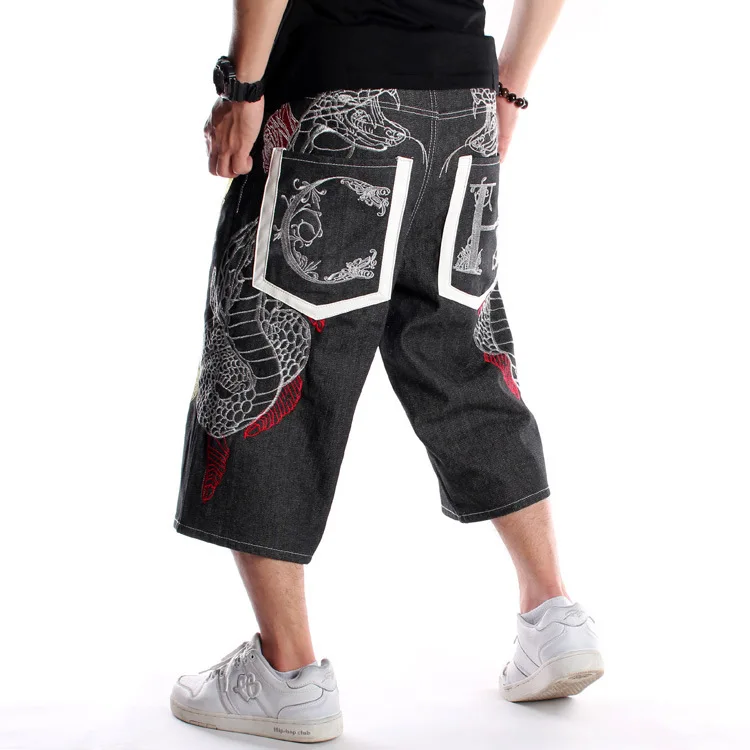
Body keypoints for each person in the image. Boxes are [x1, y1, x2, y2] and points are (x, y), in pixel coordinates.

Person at [170, 0, 603, 741]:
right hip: (463, 105)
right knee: (465, 360)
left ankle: (288, 674)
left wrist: (243, 89)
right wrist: (507, 87)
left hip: (336, 101)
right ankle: (553, 615)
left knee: (272, 366)